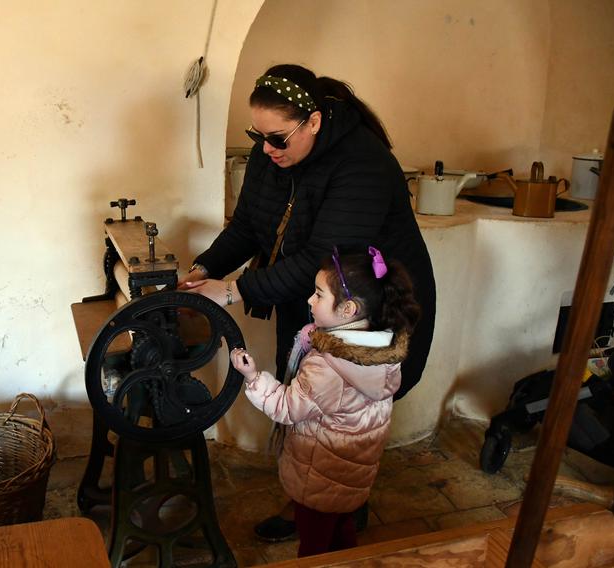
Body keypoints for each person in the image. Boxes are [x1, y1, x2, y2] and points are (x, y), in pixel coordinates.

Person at [180, 63, 436, 540]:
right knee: (307, 395)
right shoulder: (270, 154)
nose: (266, 148)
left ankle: (336, 505)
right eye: (257, 135)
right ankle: (313, 498)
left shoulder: (363, 163)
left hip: (367, 308)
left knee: (348, 416)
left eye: (278, 138)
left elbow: (325, 255)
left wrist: (234, 291)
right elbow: (247, 226)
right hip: (316, 296)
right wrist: (206, 269)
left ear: (314, 121)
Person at [229, 247, 420, 557]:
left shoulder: (328, 366)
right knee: (341, 529)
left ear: (348, 310)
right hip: (353, 472)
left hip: (320, 473)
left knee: (314, 547)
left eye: (319, 295)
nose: (310, 300)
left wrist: (253, 377)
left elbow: (287, 408)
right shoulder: (382, 349)